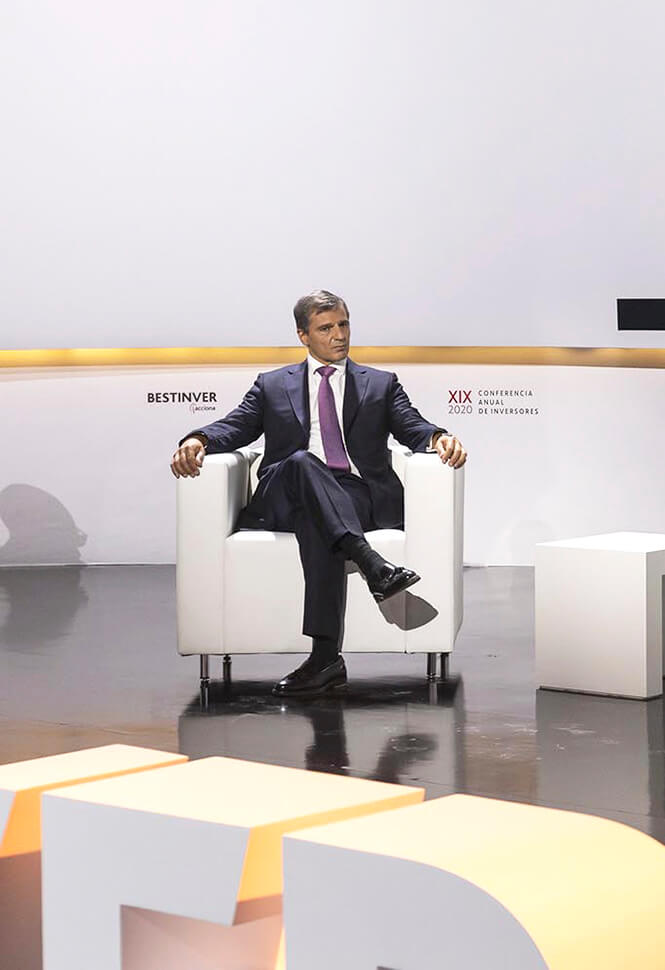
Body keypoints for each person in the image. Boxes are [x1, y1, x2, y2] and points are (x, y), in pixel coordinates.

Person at [171, 290, 467, 697]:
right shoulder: (272, 384)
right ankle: (373, 565)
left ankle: (325, 660)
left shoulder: (380, 384)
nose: (339, 335)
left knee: (320, 521)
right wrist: (199, 439)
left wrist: (438, 437)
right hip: (284, 491)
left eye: (343, 324)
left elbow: (411, 425)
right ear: (303, 335)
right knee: (301, 463)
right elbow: (236, 426)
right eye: (326, 328)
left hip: (352, 494)